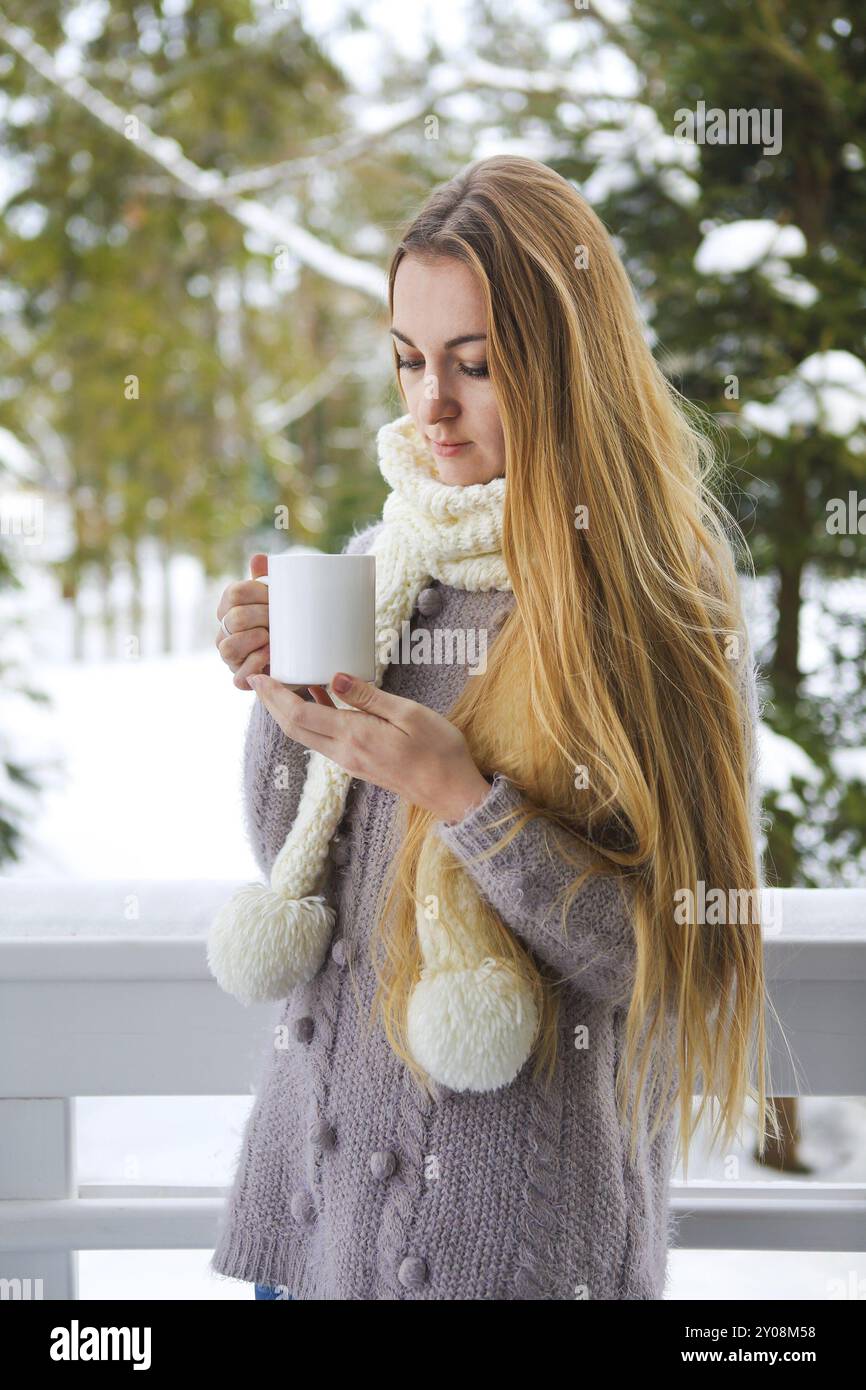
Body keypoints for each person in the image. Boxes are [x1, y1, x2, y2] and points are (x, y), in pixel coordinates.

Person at [209, 154, 775, 1301]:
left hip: (502, 1251)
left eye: (474, 364)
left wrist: (465, 801)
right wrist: (279, 697)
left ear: (566, 362)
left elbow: (668, 955)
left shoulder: (657, 600)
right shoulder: (388, 562)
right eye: (410, 361)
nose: (432, 405)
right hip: (314, 1228)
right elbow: (293, 864)